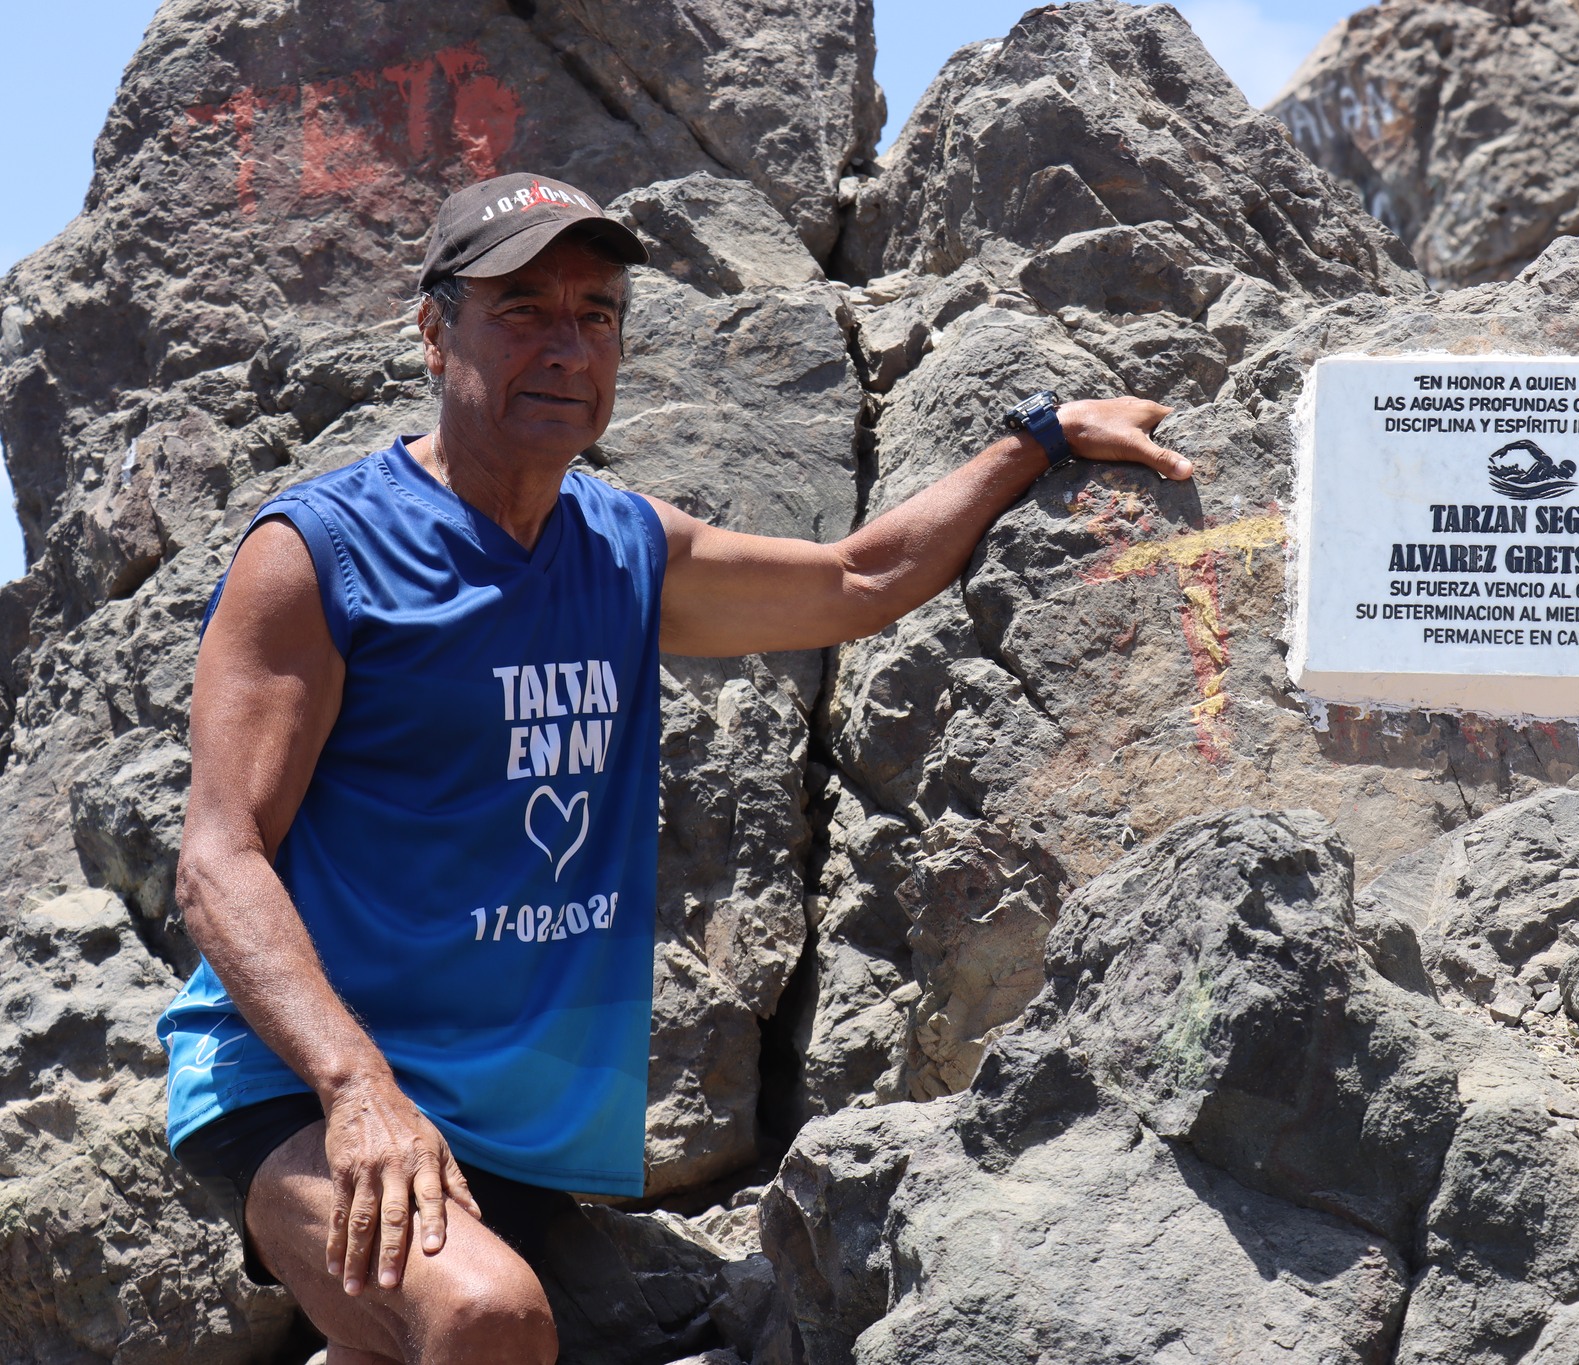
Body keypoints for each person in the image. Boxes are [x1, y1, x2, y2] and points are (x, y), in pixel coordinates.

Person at [156, 171, 1189, 1365]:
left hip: (490, 1118)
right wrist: (355, 1092)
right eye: (522, 310)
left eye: (595, 314)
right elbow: (217, 860)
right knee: (483, 1315)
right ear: (434, 332)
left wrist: (1040, 439)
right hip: (301, 1083)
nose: (566, 346)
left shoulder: (622, 547)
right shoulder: (319, 554)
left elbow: (856, 580)